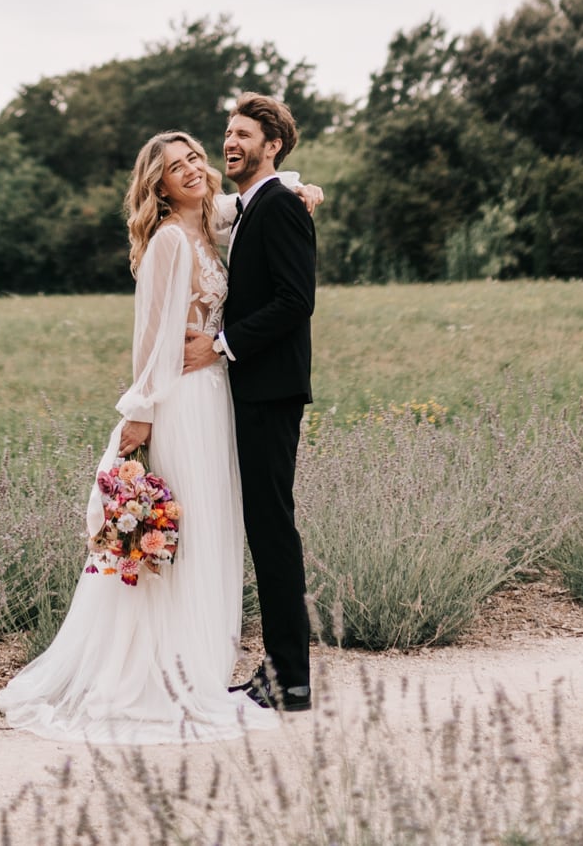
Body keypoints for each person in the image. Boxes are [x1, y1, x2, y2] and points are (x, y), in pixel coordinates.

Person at [0, 129, 321, 742]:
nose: (193, 168)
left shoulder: (209, 224)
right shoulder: (171, 239)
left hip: (216, 398)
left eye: (196, 156)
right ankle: (165, 674)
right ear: (158, 187)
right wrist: (139, 412)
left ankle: (199, 664)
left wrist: (300, 188)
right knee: (182, 539)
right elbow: (149, 337)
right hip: (180, 403)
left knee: (213, 533)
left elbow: (251, 200)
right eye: (175, 167)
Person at [183, 93, 316, 714]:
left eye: (243, 134)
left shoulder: (281, 208)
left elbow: (295, 301)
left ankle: (290, 680)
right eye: (227, 132)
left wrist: (222, 344)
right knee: (265, 530)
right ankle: (279, 671)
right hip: (255, 389)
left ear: (272, 144)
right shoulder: (257, 203)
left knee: (273, 531)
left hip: (270, 390)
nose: (230, 142)